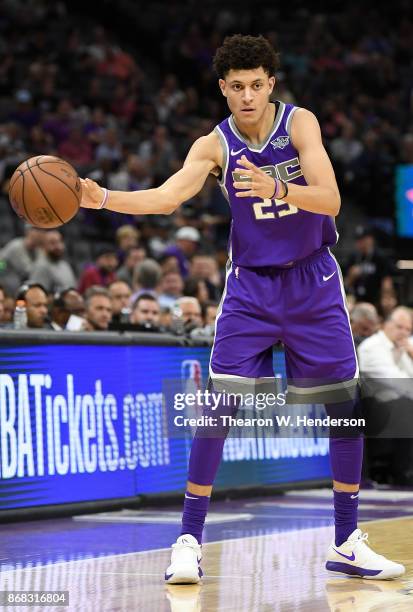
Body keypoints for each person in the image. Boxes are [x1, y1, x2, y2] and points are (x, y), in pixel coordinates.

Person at [80, 34, 404, 582]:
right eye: (237, 87)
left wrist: (278, 186)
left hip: (313, 282)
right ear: (223, 90)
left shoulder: (301, 124)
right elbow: (166, 196)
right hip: (251, 288)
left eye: (257, 85)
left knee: (345, 412)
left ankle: (347, 541)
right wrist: (104, 198)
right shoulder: (215, 144)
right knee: (217, 411)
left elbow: (330, 198)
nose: (248, 95)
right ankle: (188, 540)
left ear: (270, 84)